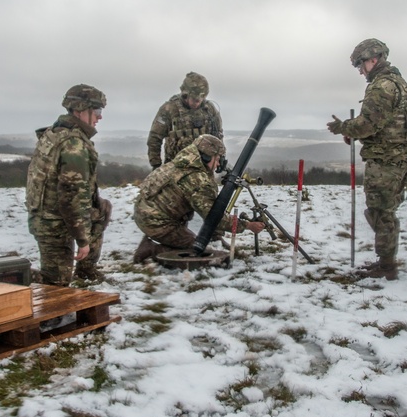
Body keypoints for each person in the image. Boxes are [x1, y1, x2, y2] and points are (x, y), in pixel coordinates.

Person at [327, 39, 407, 280]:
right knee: (386, 211)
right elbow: (384, 124)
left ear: (373, 60)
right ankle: (386, 261)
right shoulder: (400, 84)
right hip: (399, 157)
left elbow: (368, 123)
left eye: (361, 64)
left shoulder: (382, 86)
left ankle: (387, 266)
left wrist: (343, 127)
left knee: (380, 212)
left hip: (386, 161)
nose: (360, 70)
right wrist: (355, 134)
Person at [26, 84, 112, 285]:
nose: (99, 117)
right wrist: (82, 240)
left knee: (102, 209)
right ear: (81, 110)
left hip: (48, 215)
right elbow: (72, 197)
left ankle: (85, 271)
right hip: (54, 223)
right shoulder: (74, 145)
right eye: (97, 111)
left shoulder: (55, 132)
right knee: (55, 284)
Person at [132, 134, 264, 262]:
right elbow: (214, 218)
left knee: (188, 236)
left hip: (143, 212)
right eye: (217, 159)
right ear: (207, 157)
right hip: (156, 222)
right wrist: (247, 225)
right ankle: (152, 249)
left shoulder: (179, 163)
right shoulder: (197, 180)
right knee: (196, 250)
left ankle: (156, 237)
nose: (218, 164)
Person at [147, 72, 224, 169]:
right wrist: (156, 165)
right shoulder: (169, 109)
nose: (198, 103)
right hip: (175, 169)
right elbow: (154, 138)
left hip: (202, 170)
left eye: (201, 99)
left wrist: (220, 158)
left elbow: (218, 137)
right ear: (185, 94)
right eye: (195, 99)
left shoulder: (210, 109)